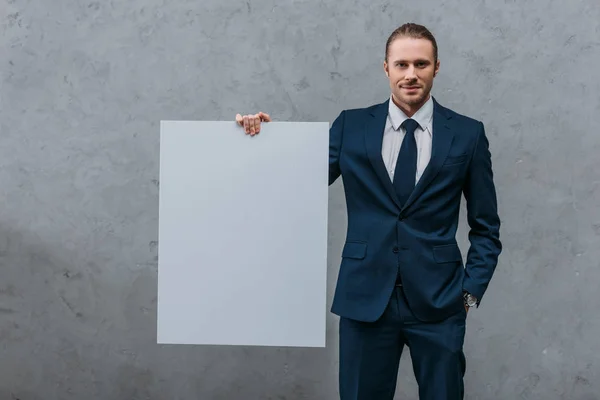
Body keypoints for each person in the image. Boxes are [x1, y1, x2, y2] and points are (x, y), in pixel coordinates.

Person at [235, 23, 502, 400]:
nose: (411, 74)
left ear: (436, 68)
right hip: (364, 298)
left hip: (440, 302)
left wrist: (469, 294)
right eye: (402, 64)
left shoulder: (468, 134)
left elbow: (486, 227)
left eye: (421, 64)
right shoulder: (352, 126)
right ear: (386, 68)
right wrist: (265, 140)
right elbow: (297, 180)